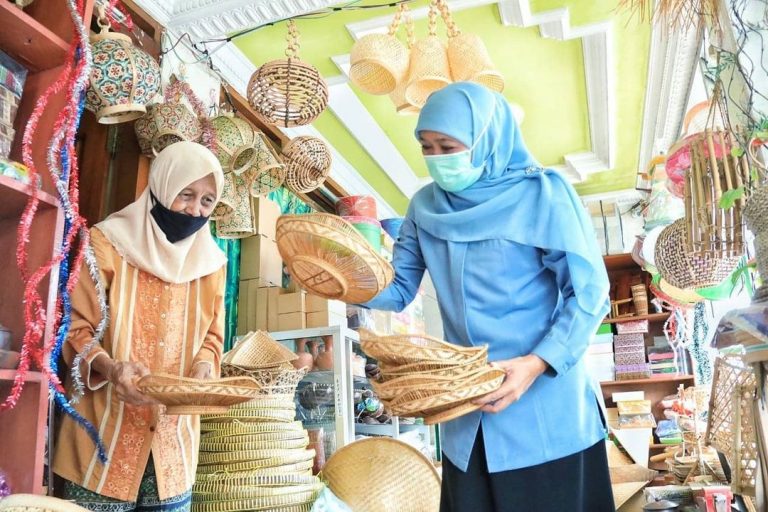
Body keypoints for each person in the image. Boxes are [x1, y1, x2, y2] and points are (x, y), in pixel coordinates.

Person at [364, 82, 615, 512]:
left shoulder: (544, 195)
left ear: (486, 140)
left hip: (545, 410)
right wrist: (341, 278)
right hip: (467, 411)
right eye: (426, 147)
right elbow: (398, 288)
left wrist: (536, 364)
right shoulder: (424, 207)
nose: (437, 159)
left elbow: (589, 294)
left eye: (448, 145)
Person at [53, 141, 228, 511]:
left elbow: (213, 336)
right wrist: (112, 368)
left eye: (207, 201)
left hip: (173, 452)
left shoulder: (212, 263)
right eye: (186, 195)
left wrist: (202, 368)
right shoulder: (106, 243)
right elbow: (75, 328)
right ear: (162, 187)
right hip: (101, 444)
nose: (194, 209)